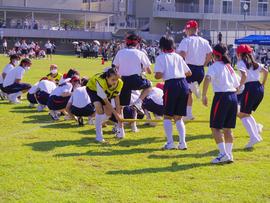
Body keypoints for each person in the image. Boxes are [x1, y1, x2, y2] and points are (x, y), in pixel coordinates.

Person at [202, 43, 240, 164]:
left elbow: (207, 78)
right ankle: (229, 154)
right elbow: (237, 85)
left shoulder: (214, 66)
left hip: (221, 97)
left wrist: (204, 95)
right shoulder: (229, 66)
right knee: (228, 129)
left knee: (215, 127)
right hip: (233, 96)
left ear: (215, 54)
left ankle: (223, 154)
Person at [154, 35, 192, 150]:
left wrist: (165, 74)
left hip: (171, 85)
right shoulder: (178, 56)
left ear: (161, 46)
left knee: (167, 116)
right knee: (178, 117)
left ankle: (170, 143)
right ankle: (182, 143)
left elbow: (158, 75)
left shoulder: (161, 57)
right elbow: (189, 72)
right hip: (183, 84)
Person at [113, 33, 152, 138]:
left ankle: (120, 130)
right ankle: (138, 103)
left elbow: (114, 68)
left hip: (123, 80)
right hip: (135, 79)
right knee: (149, 86)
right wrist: (142, 69)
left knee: (120, 107)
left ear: (126, 43)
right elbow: (149, 71)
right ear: (137, 44)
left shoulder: (120, 52)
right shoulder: (140, 53)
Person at [177, 20, 212, 120]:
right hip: (200, 69)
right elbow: (210, 53)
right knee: (188, 92)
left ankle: (186, 113)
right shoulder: (204, 41)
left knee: (185, 92)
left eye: (186, 30)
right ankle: (188, 113)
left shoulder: (186, 40)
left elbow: (182, 54)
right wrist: (204, 64)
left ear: (188, 29)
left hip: (189, 68)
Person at [236, 44, 268, 148]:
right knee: (247, 114)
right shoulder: (255, 63)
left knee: (242, 114)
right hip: (259, 88)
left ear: (239, 53)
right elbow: (266, 72)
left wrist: (239, 86)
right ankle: (256, 135)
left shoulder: (240, 63)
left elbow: (244, 75)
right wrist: (263, 84)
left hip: (249, 88)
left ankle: (254, 137)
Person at [86, 67, 123, 143]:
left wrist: (119, 115)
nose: (115, 82)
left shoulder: (120, 83)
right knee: (99, 110)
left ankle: (97, 121)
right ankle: (99, 137)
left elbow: (117, 100)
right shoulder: (101, 82)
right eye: (113, 80)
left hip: (104, 93)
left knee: (108, 113)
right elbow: (106, 101)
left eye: (117, 79)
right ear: (107, 78)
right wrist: (116, 115)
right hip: (93, 90)